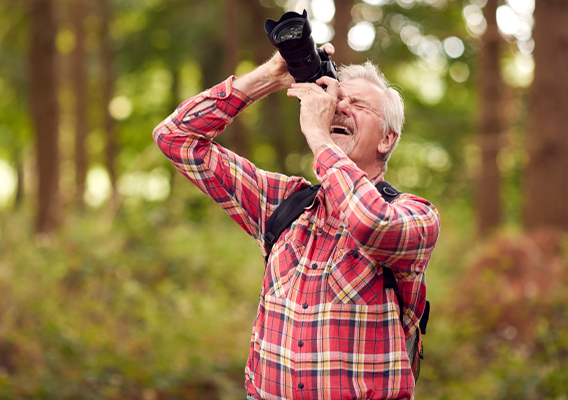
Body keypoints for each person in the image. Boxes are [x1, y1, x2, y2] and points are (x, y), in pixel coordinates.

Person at [153, 43, 440, 400]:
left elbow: (372, 225)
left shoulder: (415, 215)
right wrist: (268, 77)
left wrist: (320, 136)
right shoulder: (283, 202)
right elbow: (175, 138)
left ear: (386, 138)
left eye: (359, 105)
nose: (340, 108)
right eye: (337, 99)